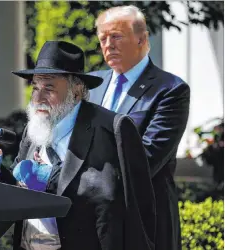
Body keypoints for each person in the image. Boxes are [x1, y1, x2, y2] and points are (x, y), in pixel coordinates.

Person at [0, 41, 155, 250]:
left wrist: (49, 182)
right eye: (35, 88)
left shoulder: (112, 129)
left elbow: (133, 205)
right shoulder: (34, 128)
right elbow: (20, 190)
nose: (38, 98)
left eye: (49, 88)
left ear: (76, 91)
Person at [89, 5, 191, 250]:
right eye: (103, 38)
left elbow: (147, 157)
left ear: (142, 39)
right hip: (94, 219)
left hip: (145, 219)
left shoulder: (170, 89)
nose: (108, 45)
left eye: (116, 36)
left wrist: (84, 172)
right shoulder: (91, 85)